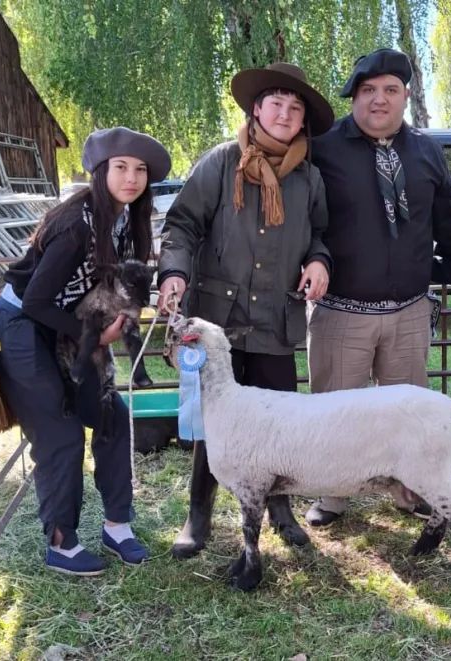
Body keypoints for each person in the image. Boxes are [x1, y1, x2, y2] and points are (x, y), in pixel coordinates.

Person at [156, 63, 334, 558]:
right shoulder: (220, 163)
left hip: (276, 320)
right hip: (219, 321)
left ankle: (279, 510)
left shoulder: (309, 180)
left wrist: (319, 262)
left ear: (302, 122)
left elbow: (320, 236)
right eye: (276, 103)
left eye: (295, 108)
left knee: (278, 421)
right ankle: (199, 515)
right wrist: (173, 272)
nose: (285, 113)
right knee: (213, 424)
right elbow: (182, 225)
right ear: (256, 109)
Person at [304, 48, 451, 527]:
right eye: (368, 91)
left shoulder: (426, 150)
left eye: (390, 90)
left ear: (406, 95)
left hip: (408, 309)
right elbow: (304, 219)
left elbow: (446, 213)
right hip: (343, 310)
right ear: (354, 96)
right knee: (335, 411)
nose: (379, 100)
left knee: (408, 413)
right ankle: (334, 495)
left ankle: (412, 489)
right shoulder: (321, 148)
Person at [0, 127, 170, 574]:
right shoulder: (75, 225)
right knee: (61, 433)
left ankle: (117, 526)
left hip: (73, 324)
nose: (131, 177)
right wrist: (97, 338)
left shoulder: (128, 221)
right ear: (100, 171)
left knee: (111, 414)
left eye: (141, 169)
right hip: (25, 325)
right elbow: (36, 301)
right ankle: (61, 540)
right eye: (121, 167)